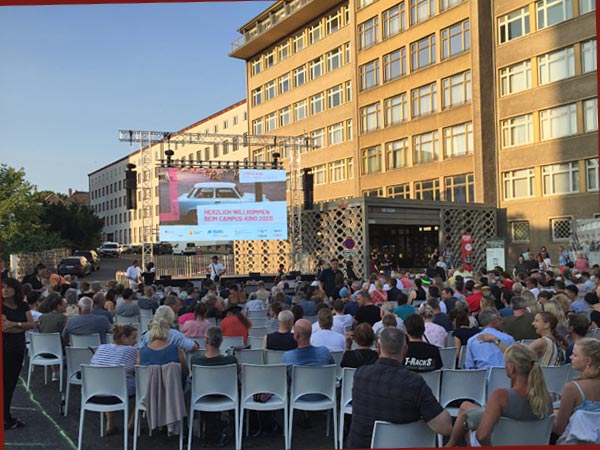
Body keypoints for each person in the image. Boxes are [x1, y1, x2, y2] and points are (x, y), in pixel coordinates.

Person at [348, 327, 452, 448]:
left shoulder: (360, 375)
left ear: (379, 348)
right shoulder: (413, 382)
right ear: (405, 350)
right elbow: (445, 427)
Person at [445, 343, 553, 447]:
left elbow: (482, 436)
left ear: (512, 368)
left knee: (469, 425)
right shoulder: (546, 399)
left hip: (500, 444)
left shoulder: (501, 396)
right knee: (466, 407)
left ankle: (449, 445)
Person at [90, 323, 138, 434]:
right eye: (133, 338)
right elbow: (136, 368)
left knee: (107, 381)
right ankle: (132, 422)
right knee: (144, 387)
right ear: (124, 338)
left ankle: (110, 422)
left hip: (95, 391)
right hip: (120, 392)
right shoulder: (131, 351)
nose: (135, 341)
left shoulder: (101, 348)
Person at [2, 278, 36, 430]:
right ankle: (5, 418)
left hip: (17, 349)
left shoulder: (22, 305)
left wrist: (16, 324)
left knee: (11, 383)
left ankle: (6, 415)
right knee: (5, 384)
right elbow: (4, 328)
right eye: (3, 287)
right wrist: (22, 327)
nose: (5, 290)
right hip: (5, 349)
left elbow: (31, 324)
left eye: (8, 287)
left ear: (16, 289)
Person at [553, 338, 600, 444]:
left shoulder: (572, 389)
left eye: (574, 355)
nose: (570, 357)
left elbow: (559, 429)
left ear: (588, 361)